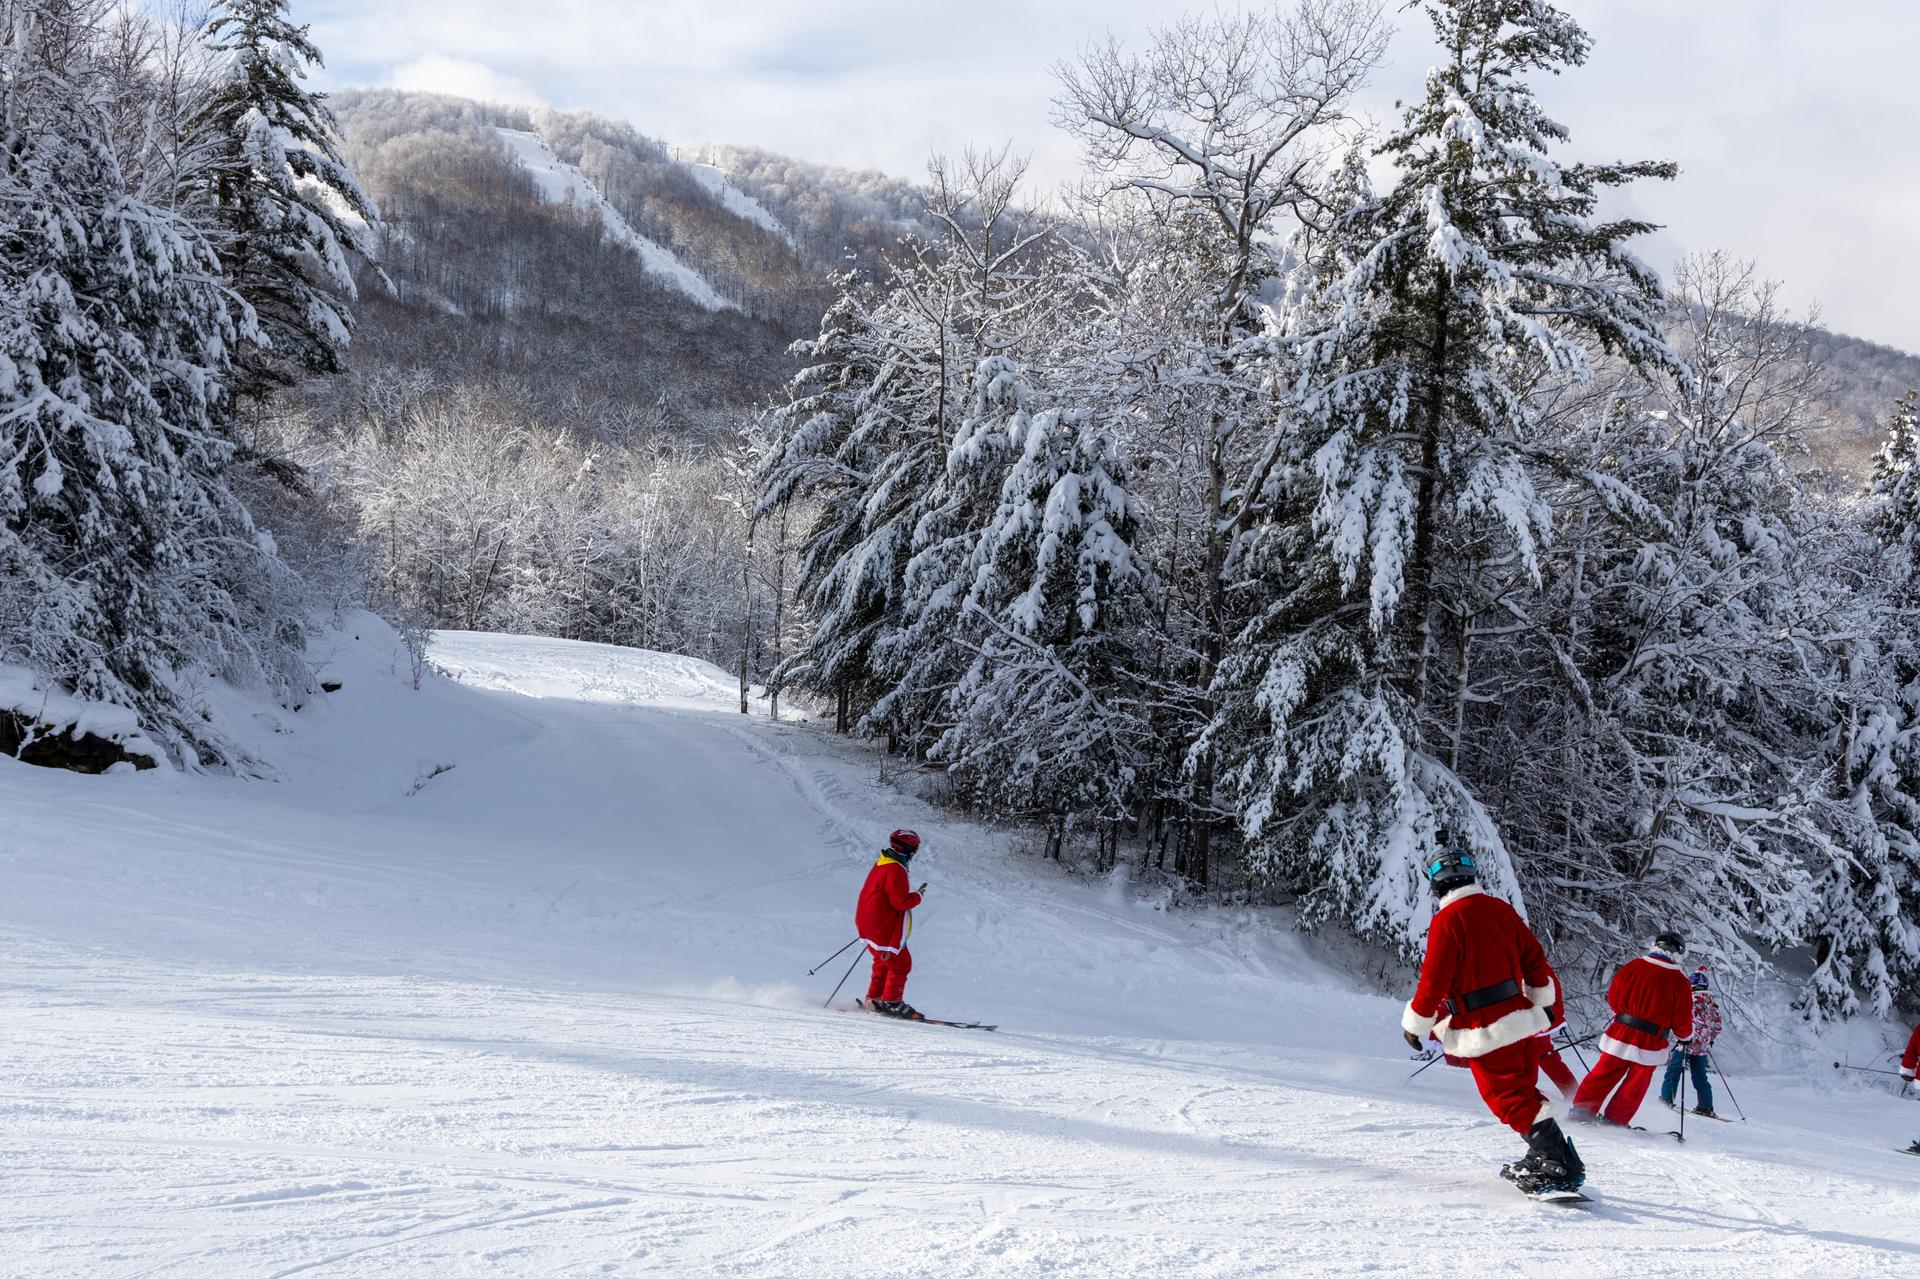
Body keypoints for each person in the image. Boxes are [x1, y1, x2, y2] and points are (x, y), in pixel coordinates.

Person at [1401, 838, 1584, 1195]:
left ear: (1436, 884)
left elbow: (1434, 981)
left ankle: (1558, 1163)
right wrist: (1543, 1001)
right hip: (1520, 1018)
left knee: (1507, 1098)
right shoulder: (1500, 909)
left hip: (1484, 1027)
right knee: (1522, 1091)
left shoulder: (1447, 920)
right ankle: (1548, 1155)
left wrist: (1416, 1023)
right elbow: (1534, 957)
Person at [1571, 932, 1694, 1125]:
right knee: (1635, 1086)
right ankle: (1615, 1121)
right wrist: (1685, 1037)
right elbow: (1682, 1020)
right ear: (1679, 953)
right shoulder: (1680, 981)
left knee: (1603, 1074)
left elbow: (1613, 998)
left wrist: (1627, 1016)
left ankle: (1582, 1111)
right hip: (1651, 1041)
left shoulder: (1633, 966)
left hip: (1621, 1032)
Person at [856, 829, 925, 1018]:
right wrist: (918, 896)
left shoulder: (883, 862)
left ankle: (874, 999)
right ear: (910, 850)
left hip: (869, 922)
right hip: (881, 925)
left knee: (883, 961)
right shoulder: (896, 869)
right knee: (901, 963)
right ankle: (892, 1002)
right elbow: (900, 902)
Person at [1659, 967, 1722, 1116]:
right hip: (1702, 1047)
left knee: (1673, 1071)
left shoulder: (1688, 1000)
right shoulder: (1712, 1004)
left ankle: (1666, 1099)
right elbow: (1718, 1027)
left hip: (1685, 1043)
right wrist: (1709, 1039)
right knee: (1700, 1076)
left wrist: (1675, 1033)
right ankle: (1705, 1106)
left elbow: (1679, 1018)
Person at [1536, 985, 1578, 1100]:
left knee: (1542, 1054)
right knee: (1545, 1055)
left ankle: (1572, 1093)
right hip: (1540, 1016)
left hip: (1532, 1016)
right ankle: (1572, 1092)